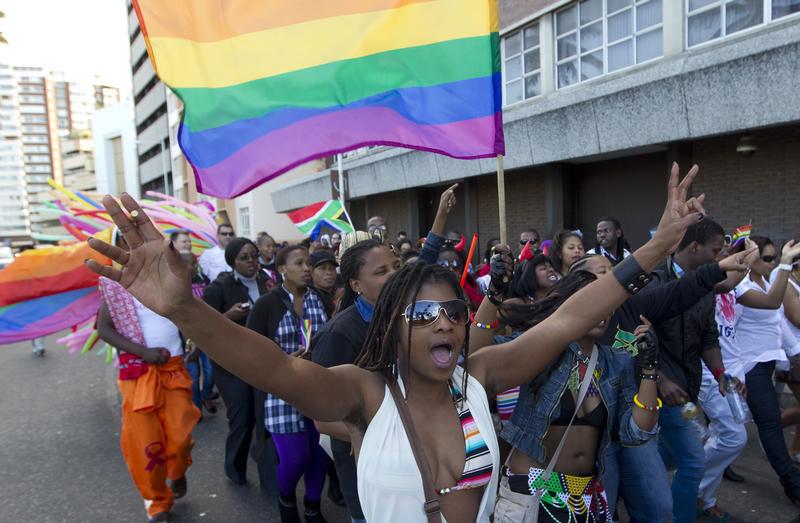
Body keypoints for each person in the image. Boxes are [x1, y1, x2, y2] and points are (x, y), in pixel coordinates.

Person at [85, 163, 704, 522]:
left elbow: (568, 320)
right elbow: (272, 366)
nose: (444, 323)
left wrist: (653, 248)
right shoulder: (364, 392)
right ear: (393, 327)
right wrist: (182, 309)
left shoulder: (480, 377)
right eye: (424, 313)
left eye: (453, 312)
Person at [487, 271, 660, 522]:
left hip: (583, 498)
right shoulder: (539, 347)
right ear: (569, 304)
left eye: (608, 303)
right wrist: (493, 295)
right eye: (592, 301)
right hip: (531, 492)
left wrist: (649, 367)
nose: (602, 310)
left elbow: (637, 432)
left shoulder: (616, 362)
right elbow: (480, 358)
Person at [96, 231, 200, 522]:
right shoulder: (115, 285)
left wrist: (195, 343)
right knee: (146, 444)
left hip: (174, 369)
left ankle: (178, 472)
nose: (132, 248)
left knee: (179, 438)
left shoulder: (169, 277)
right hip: (139, 374)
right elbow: (104, 329)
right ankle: (157, 503)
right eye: (125, 243)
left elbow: (190, 315)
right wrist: (144, 352)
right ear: (118, 248)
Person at [648, 218, 734, 523]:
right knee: (694, 461)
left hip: (688, 388)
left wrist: (721, 372)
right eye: (715, 250)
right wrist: (660, 379)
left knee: (666, 455)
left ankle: (640, 487)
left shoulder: (705, 283)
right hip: (660, 393)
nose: (719, 257)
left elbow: (708, 336)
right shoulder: (654, 280)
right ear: (694, 247)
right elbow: (627, 339)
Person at [246, 245, 332, 522]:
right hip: (281, 390)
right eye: (299, 263)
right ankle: (286, 498)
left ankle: (312, 505)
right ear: (282, 269)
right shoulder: (266, 305)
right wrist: (281, 360)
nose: (307, 268)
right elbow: (249, 348)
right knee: (296, 457)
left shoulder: (319, 298)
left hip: (317, 385)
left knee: (319, 454)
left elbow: (330, 336)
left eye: (309, 263)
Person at [201, 238, 272, 489]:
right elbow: (203, 328)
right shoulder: (219, 287)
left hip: (263, 360)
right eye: (245, 257)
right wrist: (228, 316)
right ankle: (235, 468)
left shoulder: (267, 281)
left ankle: (266, 468)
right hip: (231, 365)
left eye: (254, 256)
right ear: (232, 261)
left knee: (264, 415)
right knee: (242, 418)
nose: (252, 261)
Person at [735, 236, 800, 505]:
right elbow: (724, 330)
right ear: (750, 258)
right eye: (768, 258)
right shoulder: (739, 286)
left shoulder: (766, 282)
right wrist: (785, 263)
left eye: (775, 257)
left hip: (768, 365)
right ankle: (793, 484)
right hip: (749, 367)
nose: (772, 263)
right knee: (769, 423)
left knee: (734, 432)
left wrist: (795, 353)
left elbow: (778, 323)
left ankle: (712, 463)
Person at [180, 252, 216, 416]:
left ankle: (206, 396)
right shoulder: (177, 287)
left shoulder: (204, 281)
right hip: (188, 339)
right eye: (190, 264)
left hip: (207, 336)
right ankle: (196, 408)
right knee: (193, 377)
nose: (194, 267)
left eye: (195, 264)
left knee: (211, 371)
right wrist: (190, 341)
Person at [310, 249, 338, 315]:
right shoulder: (307, 301)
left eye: (332, 268)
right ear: (311, 272)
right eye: (322, 268)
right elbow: (304, 325)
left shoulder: (343, 296)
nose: (329, 273)